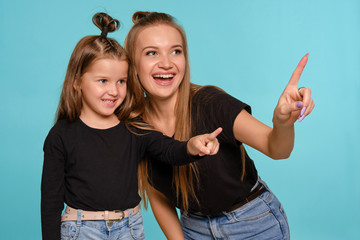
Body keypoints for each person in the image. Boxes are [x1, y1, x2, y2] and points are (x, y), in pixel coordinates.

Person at [124, 11, 315, 240]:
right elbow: (157, 193)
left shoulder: (212, 104)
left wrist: (282, 123)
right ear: (133, 64)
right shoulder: (134, 124)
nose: (166, 63)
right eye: (151, 53)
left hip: (252, 224)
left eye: (176, 51)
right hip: (194, 228)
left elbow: (277, 149)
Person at [41, 12, 222, 240]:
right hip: (82, 230)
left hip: (129, 228)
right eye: (102, 81)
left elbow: (167, 149)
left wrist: (192, 147)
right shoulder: (61, 135)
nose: (114, 91)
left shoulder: (133, 127)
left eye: (121, 81)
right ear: (77, 82)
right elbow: (51, 200)